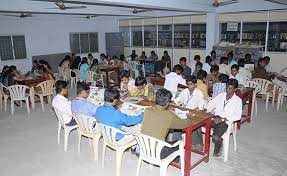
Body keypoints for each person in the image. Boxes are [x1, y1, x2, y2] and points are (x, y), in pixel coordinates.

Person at [206, 79, 242, 157]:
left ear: (235, 89)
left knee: (215, 137)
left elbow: (238, 116)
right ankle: (198, 144)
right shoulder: (221, 95)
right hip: (215, 117)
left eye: (230, 88)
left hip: (225, 121)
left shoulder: (238, 100)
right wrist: (207, 111)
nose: (228, 90)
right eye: (227, 88)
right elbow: (211, 103)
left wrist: (222, 119)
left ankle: (219, 146)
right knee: (197, 124)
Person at [174, 76, 206, 150]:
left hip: (195, 113)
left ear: (195, 85)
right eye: (188, 84)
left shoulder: (199, 93)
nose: (189, 86)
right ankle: (177, 141)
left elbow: (200, 107)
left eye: (191, 84)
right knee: (175, 120)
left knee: (194, 122)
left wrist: (192, 111)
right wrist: (175, 103)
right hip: (185, 112)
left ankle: (197, 145)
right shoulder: (184, 91)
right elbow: (178, 101)